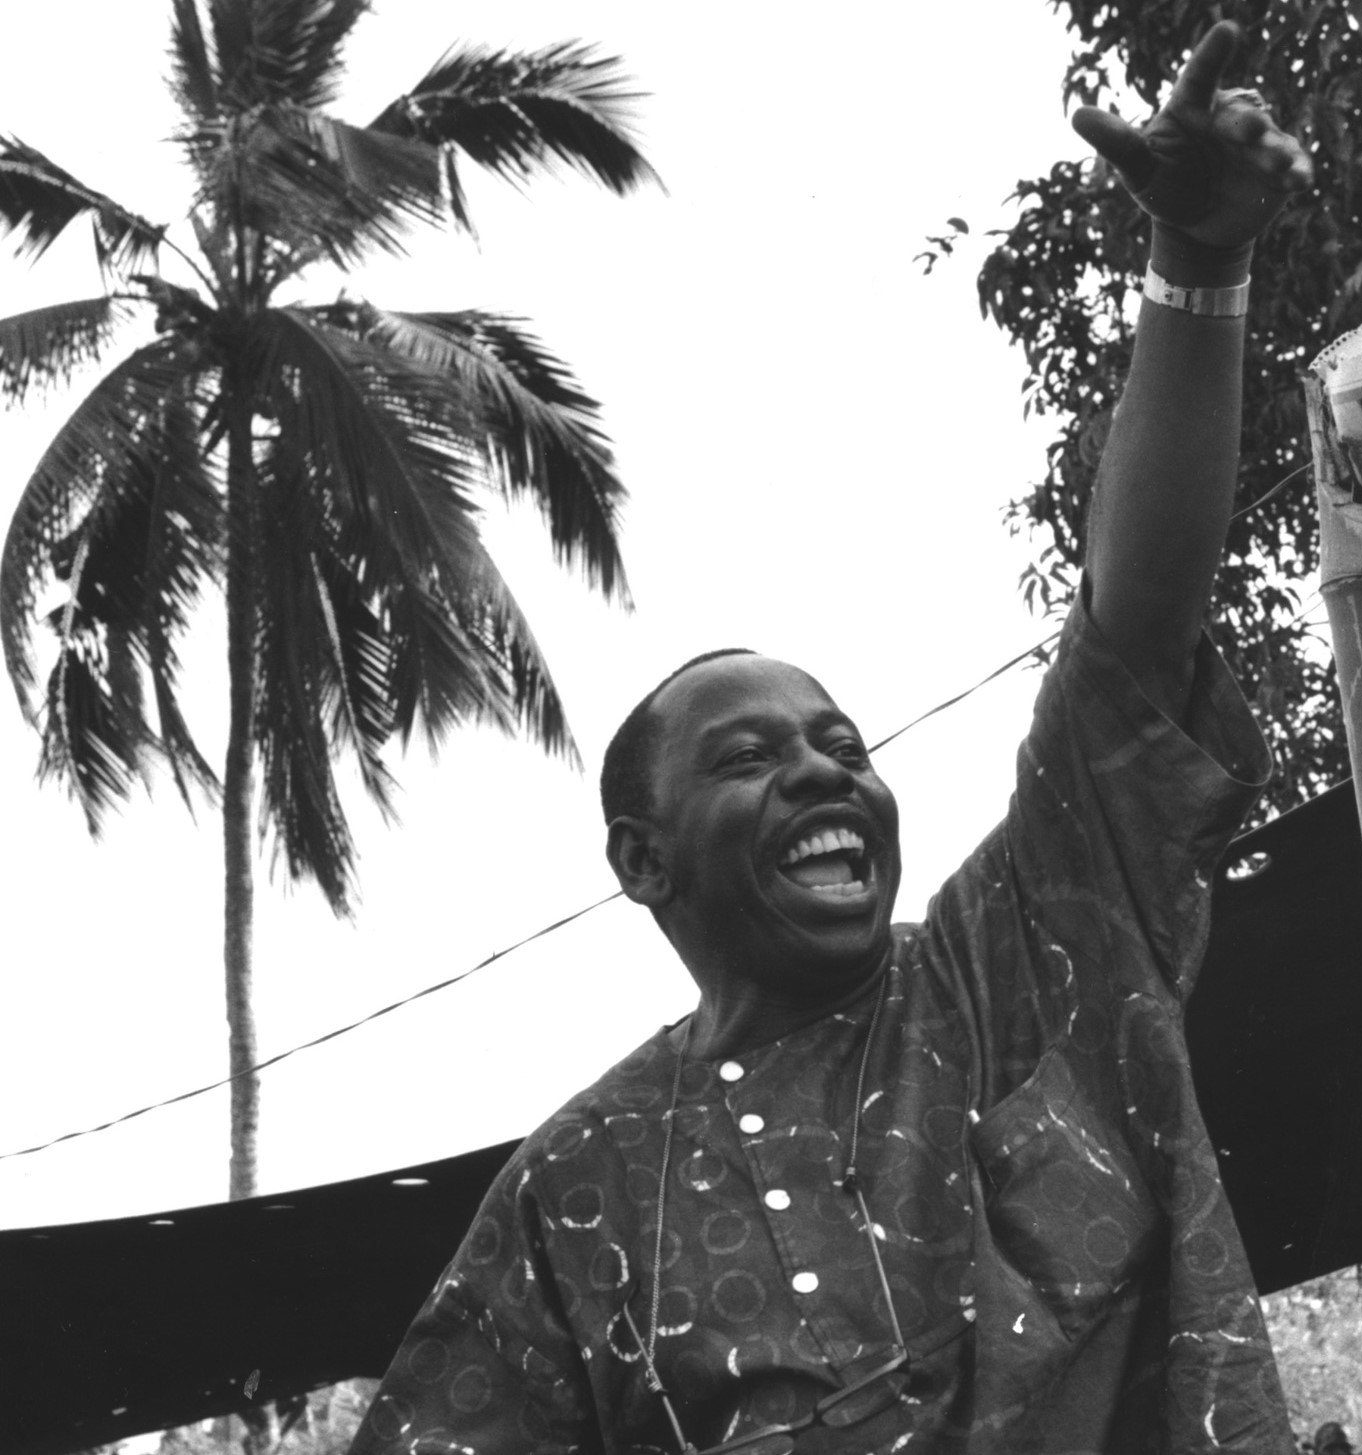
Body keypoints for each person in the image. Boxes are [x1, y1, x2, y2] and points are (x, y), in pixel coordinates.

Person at [348, 20, 1312, 1455]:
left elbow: (1134, 638)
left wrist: (1199, 266)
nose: (819, 770)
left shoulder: (1019, 960)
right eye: (745, 759)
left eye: (840, 742)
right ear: (643, 858)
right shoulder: (577, 1195)